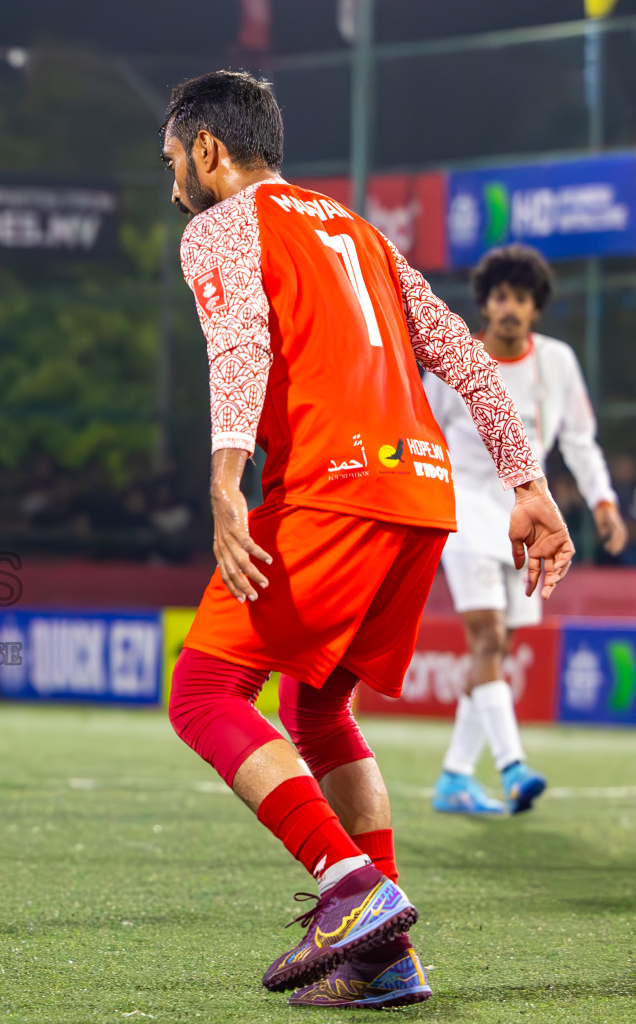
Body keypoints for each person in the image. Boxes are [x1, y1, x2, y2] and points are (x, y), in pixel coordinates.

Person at [160, 71, 574, 1010]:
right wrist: (527, 482)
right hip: (421, 495)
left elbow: (242, 348)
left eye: (173, 159)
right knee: (318, 711)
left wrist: (225, 481)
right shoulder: (364, 234)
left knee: (204, 692)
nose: (172, 179)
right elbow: (466, 356)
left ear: (210, 151)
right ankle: (386, 962)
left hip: (336, 489)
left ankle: (350, 887)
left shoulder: (219, 226)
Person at [425, 245, 628, 816]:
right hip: (462, 511)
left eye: (520, 298)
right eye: (499, 297)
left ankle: (454, 777)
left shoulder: (558, 363)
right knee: (486, 638)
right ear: (485, 305)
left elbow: (580, 441)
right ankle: (513, 766)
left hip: (528, 517)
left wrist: (603, 501)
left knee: (498, 648)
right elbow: (418, 433)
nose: (509, 307)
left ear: (535, 308)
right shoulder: (455, 361)